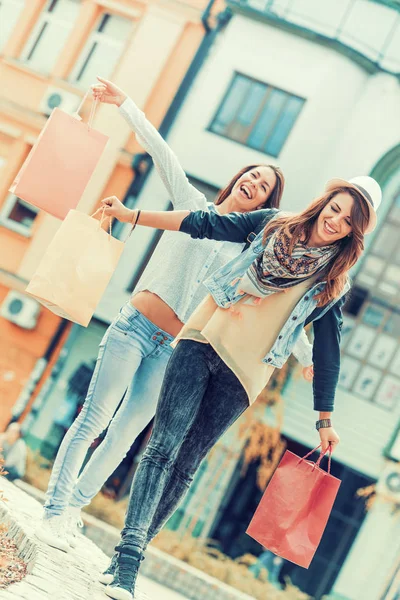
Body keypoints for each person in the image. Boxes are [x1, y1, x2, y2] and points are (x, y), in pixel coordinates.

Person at [36, 77, 313, 553]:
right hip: (133, 329)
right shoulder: (192, 206)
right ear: (237, 179)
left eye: (263, 186)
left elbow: (289, 304)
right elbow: (161, 152)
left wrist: (306, 356)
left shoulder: (249, 254)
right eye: (251, 175)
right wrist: (126, 104)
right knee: (94, 418)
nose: (253, 183)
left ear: (265, 205)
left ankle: (74, 511)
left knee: (124, 436)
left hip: (176, 353)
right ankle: (54, 509)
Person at [97, 174, 381, 600]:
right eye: (334, 209)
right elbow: (205, 223)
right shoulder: (272, 224)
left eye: (347, 220)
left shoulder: (332, 283)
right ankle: (129, 560)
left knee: (187, 462)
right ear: (324, 203)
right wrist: (133, 215)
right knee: (162, 446)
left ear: (354, 232)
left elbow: (328, 352)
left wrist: (324, 419)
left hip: (245, 374)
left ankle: (124, 558)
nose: (335, 221)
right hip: (202, 338)